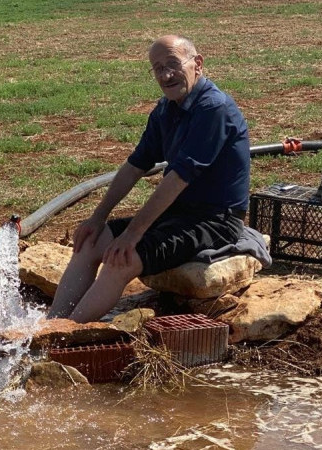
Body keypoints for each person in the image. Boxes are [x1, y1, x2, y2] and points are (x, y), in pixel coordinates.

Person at [47, 35, 250, 323]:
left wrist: (133, 235)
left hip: (215, 220)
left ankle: (65, 333)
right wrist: (97, 217)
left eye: (173, 64)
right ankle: (52, 323)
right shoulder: (166, 109)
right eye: (157, 68)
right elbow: (135, 165)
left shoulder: (213, 109)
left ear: (198, 64)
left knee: (122, 259)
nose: (166, 75)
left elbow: (178, 178)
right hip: (178, 213)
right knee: (91, 242)